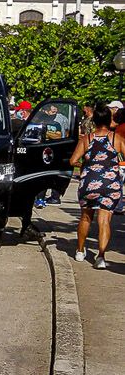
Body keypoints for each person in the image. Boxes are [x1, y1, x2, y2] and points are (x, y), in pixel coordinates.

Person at [70, 103, 121, 269]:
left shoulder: (87, 139)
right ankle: (101, 257)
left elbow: (72, 161)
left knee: (86, 217)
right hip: (110, 183)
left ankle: (79, 250)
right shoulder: (116, 138)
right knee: (104, 220)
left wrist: (86, 164)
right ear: (109, 119)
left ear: (95, 120)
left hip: (89, 182)